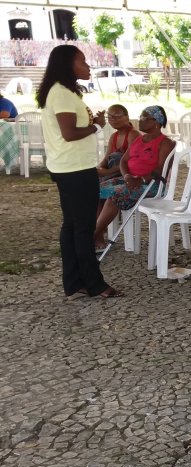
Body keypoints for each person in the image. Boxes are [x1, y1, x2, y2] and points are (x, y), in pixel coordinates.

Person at [37, 44, 118, 299]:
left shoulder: (64, 92)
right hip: (74, 170)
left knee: (72, 227)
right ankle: (94, 284)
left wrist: (92, 123)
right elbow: (70, 133)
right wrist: (96, 126)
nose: (88, 66)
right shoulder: (60, 93)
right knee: (82, 228)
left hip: (71, 167)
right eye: (82, 62)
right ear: (67, 65)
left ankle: (74, 283)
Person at [93, 106, 176, 251]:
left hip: (152, 185)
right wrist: (127, 176)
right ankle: (97, 232)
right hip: (131, 179)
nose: (140, 120)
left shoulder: (165, 142)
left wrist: (141, 179)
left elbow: (161, 169)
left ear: (156, 122)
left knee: (116, 194)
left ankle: (93, 235)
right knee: (93, 189)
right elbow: (123, 162)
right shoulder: (139, 140)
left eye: (144, 118)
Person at [96, 104, 139, 199]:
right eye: (110, 117)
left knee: (116, 156)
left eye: (117, 116)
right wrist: (99, 169)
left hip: (127, 174)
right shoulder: (114, 136)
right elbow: (106, 159)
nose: (113, 119)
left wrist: (106, 172)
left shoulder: (133, 134)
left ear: (127, 117)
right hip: (112, 173)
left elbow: (129, 162)